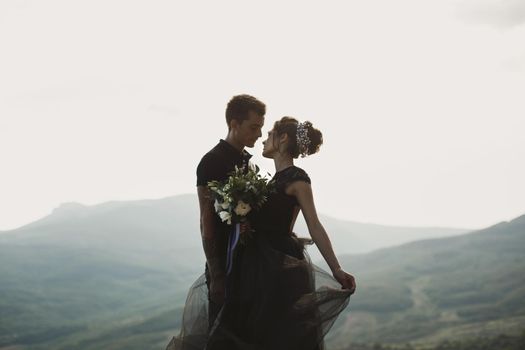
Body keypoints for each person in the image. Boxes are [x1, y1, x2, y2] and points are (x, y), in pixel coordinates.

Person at [166, 116, 355, 350]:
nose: (263, 139)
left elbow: (314, 225)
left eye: (269, 134)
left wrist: (336, 268)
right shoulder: (268, 181)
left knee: (272, 336)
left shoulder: (298, 178)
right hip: (251, 265)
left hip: (276, 265)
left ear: (283, 138)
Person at [164, 94, 266, 350]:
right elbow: (206, 220)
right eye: (254, 127)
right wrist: (217, 273)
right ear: (234, 123)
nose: (260, 134)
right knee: (222, 337)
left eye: (261, 127)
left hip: (250, 263)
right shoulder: (211, 161)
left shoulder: (249, 165)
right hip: (226, 264)